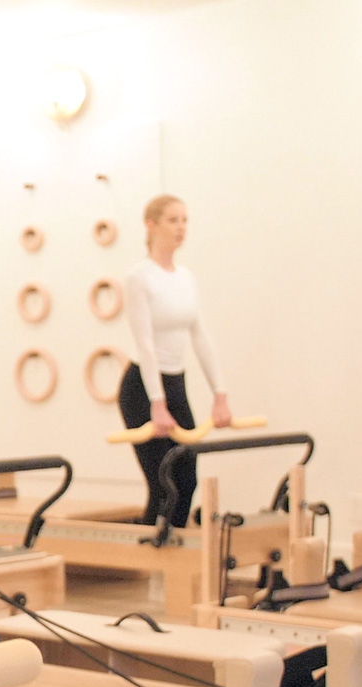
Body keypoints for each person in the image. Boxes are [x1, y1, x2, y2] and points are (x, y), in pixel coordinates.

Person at [117, 194, 231, 528]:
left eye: (185, 220)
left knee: (188, 480)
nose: (181, 227)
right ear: (151, 225)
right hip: (143, 389)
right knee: (164, 485)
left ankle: (172, 559)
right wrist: (157, 403)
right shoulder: (138, 277)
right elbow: (145, 343)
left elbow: (199, 336)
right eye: (172, 220)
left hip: (175, 384)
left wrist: (220, 395)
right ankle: (154, 566)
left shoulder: (185, 278)